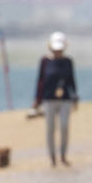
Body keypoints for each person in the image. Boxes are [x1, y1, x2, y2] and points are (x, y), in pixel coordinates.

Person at [33, 31, 78, 167]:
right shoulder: (45, 61)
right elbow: (40, 81)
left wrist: (75, 97)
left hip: (65, 99)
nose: (57, 51)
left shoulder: (68, 61)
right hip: (48, 99)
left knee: (64, 126)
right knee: (50, 128)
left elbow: (72, 80)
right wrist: (37, 99)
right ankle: (52, 157)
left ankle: (63, 155)